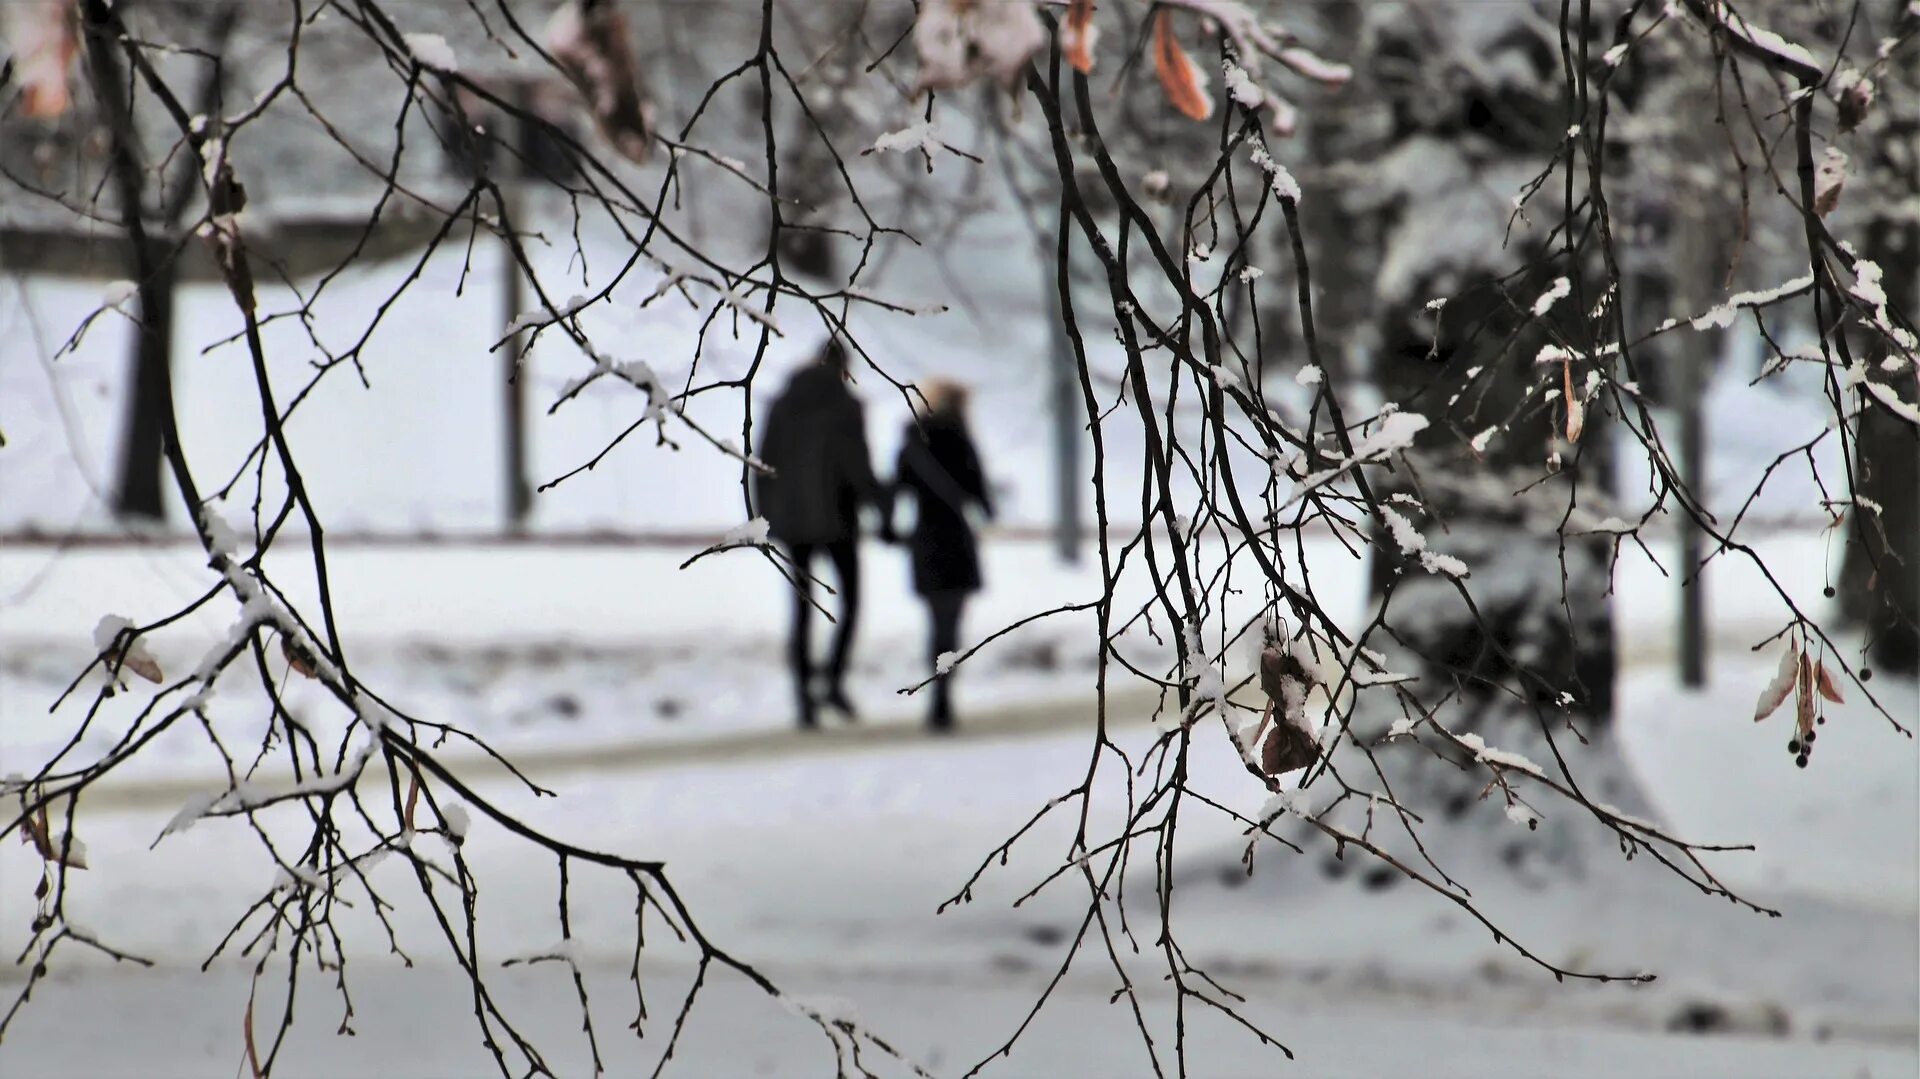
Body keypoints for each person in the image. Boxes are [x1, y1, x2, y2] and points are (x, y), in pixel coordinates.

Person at [753, 339, 882, 730]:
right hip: (839, 521)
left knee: (802, 612)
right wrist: (881, 504)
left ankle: (803, 697)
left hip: (793, 525)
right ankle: (833, 681)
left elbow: (763, 464)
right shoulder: (846, 406)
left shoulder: (781, 403)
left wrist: (766, 518)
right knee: (851, 603)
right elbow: (856, 466)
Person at [883, 379, 993, 732]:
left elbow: (894, 489)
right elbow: (982, 496)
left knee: (935, 623)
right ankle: (942, 696)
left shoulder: (913, 443)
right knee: (951, 624)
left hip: (925, 541)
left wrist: (887, 529)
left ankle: (937, 696)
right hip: (957, 540)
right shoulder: (962, 440)